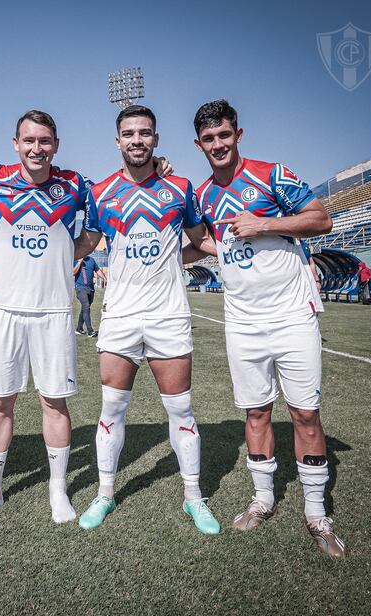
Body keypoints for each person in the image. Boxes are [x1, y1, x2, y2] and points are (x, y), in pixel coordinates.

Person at [0, 111, 171, 526]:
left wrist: (158, 170)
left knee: (53, 402)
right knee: (0, 403)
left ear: (55, 144)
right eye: (29, 141)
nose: (36, 148)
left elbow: (119, 191)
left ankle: (58, 490)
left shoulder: (76, 185)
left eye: (45, 141)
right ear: (15, 142)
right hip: (4, 311)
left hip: (55, 312)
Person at [190, 99, 345, 557]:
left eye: (224, 135)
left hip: (293, 315)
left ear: (238, 134)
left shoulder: (272, 174)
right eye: (209, 139)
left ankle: (317, 513)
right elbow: (202, 239)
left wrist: (265, 224)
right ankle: (263, 499)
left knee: (304, 413)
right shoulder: (201, 196)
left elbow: (322, 218)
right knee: (256, 413)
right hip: (242, 321)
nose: (218, 144)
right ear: (199, 144)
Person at [73, 105, 221, 534]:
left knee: (181, 410)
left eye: (144, 133)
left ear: (155, 140)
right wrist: (46, 253)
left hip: (168, 314)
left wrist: (254, 246)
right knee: (111, 409)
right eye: (129, 133)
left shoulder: (179, 187)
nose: (136, 140)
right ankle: (104, 494)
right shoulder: (101, 193)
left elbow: (201, 242)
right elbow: (88, 241)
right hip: (119, 315)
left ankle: (194, 498)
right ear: (117, 141)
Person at [73, 255, 106, 337]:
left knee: (85, 308)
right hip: (80, 287)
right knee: (86, 306)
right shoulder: (75, 259)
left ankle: (79, 329)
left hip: (90, 288)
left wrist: (105, 278)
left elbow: (97, 270)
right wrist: (80, 262)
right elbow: (73, 272)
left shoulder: (91, 260)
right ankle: (90, 331)